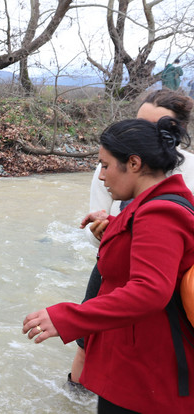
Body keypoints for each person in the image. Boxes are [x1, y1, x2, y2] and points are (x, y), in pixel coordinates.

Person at [23, 117, 194, 413]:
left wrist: (66, 317)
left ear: (135, 163)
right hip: (137, 366)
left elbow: (149, 291)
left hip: (149, 376)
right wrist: (115, 226)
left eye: (105, 165)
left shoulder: (160, 214)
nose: (101, 176)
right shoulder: (153, 207)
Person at [69, 90, 194, 387]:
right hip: (117, 262)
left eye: (157, 127)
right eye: (140, 123)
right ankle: (78, 393)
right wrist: (102, 230)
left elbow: (152, 288)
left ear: (174, 132)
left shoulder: (189, 169)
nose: (144, 133)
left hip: (176, 275)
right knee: (89, 341)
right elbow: (94, 229)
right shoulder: (114, 163)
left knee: (165, 346)